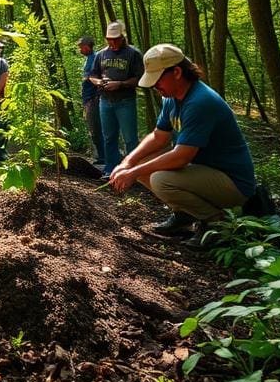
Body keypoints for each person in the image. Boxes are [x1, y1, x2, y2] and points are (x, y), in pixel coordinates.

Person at [109, 43, 256, 241]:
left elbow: (181, 157)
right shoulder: (171, 97)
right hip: (202, 172)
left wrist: (133, 173)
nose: (154, 86)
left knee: (161, 179)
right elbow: (159, 136)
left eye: (158, 79)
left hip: (233, 183)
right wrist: (128, 162)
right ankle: (185, 215)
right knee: (142, 162)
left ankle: (216, 223)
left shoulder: (200, 102)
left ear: (177, 72)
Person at [89, 21, 143, 178]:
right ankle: (110, 169)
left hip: (125, 101)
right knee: (108, 137)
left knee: (130, 138)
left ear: (122, 37)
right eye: (109, 39)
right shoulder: (101, 54)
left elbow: (139, 79)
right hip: (105, 101)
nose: (112, 42)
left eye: (115, 39)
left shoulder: (133, 54)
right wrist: (99, 82)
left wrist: (120, 84)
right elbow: (92, 76)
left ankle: (132, 171)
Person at [77, 36, 104, 165]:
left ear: (87, 46)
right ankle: (101, 155)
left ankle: (103, 156)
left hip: (94, 99)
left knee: (96, 128)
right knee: (94, 128)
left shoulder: (95, 58)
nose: (79, 49)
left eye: (81, 46)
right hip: (88, 100)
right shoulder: (88, 59)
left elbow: (96, 78)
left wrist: (96, 96)